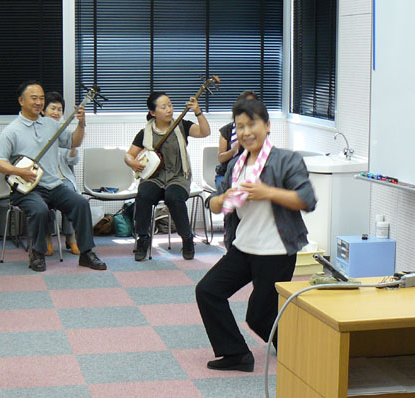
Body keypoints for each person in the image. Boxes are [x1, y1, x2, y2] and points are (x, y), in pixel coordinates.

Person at [195, 99, 317, 372]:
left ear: (267, 126)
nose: (247, 131)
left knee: (259, 316)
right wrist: (224, 197)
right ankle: (237, 353)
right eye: (241, 126)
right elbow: (215, 203)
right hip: (243, 247)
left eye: (253, 124)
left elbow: (307, 200)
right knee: (208, 291)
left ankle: (300, 351)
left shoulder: (286, 160)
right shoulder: (236, 165)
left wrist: (268, 192)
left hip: (276, 250)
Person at [0, 81, 106, 272]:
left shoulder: (51, 124)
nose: (38, 102)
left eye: (41, 98)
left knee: (81, 204)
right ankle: (37, 254)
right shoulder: (11, 130)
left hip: (54, 185)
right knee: (39, 209)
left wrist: (81, 123)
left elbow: (73, 142)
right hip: (27, 189)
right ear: (21, 101)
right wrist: (20, 172)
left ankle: (87, 253)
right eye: (33, 98)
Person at [125, 91, 211, 261]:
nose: (169, 109)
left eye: (170, 105)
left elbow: (204, 132)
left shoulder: (182, 125)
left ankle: (187, 239)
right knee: (143, 195)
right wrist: (133, 163)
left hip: (178, 176)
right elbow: (129, 155)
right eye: (163, 107)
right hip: (154, 178)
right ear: (153, 112)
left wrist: (198, 112)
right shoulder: (145, 133)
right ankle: (143, 239)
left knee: (174, 197)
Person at [43, 92, 81, 255]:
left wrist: (73, 146)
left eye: (59, 109)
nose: (56, 112)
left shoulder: (64, 132)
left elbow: (72, 161)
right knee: (43, 201)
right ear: (43, 111)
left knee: (69, 195)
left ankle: (70, 238)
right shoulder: (38, 132)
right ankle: (46, 239)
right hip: (43, 180)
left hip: (62, 178)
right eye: (52, 108)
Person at [215, 91, 259, 190]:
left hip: (251, 173)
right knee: (228, 195)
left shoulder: (259, 130)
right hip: (226, 175)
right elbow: (220, 158)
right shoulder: (227, 130)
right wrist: (233, 151)